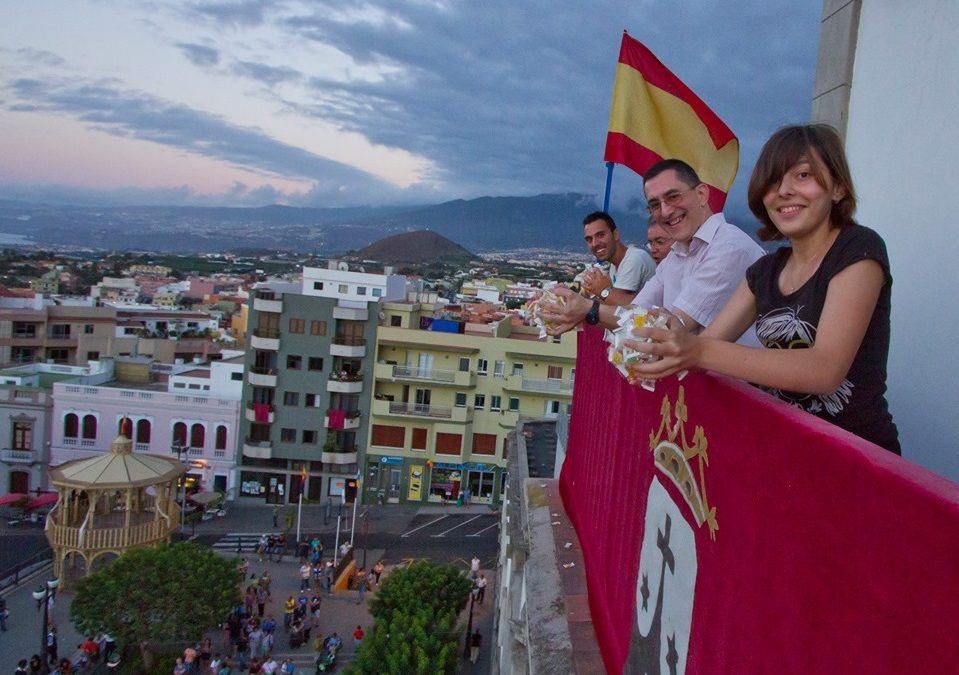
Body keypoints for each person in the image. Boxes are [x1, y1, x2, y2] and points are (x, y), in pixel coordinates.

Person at [629, 124, 900, 454]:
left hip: (855, 457)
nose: (783, 190)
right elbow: (703, 350)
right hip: (787, 448)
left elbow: (825, 369)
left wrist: (694, 350)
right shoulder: (765, 272)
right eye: (773, 180)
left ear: (839, 188)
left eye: (803, 175)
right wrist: (669, 342)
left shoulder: (858, 248)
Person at [541, 159, 763, 338]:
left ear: (702, 194)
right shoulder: (676, 256)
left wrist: (589, 310)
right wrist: (575, 309)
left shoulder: (728, 247)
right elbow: (634, 314)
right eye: (655, 204)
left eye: (673, 196)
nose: (665, 212)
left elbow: (675, 328)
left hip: (745, 389)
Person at [579, 211, 656, 306]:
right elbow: (606, 301)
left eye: (601, 235)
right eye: (589, 239)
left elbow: (616, 307)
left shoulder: (633, 259)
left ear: (615, 234)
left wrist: (601, 290)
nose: (595, 243)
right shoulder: (613, 265)